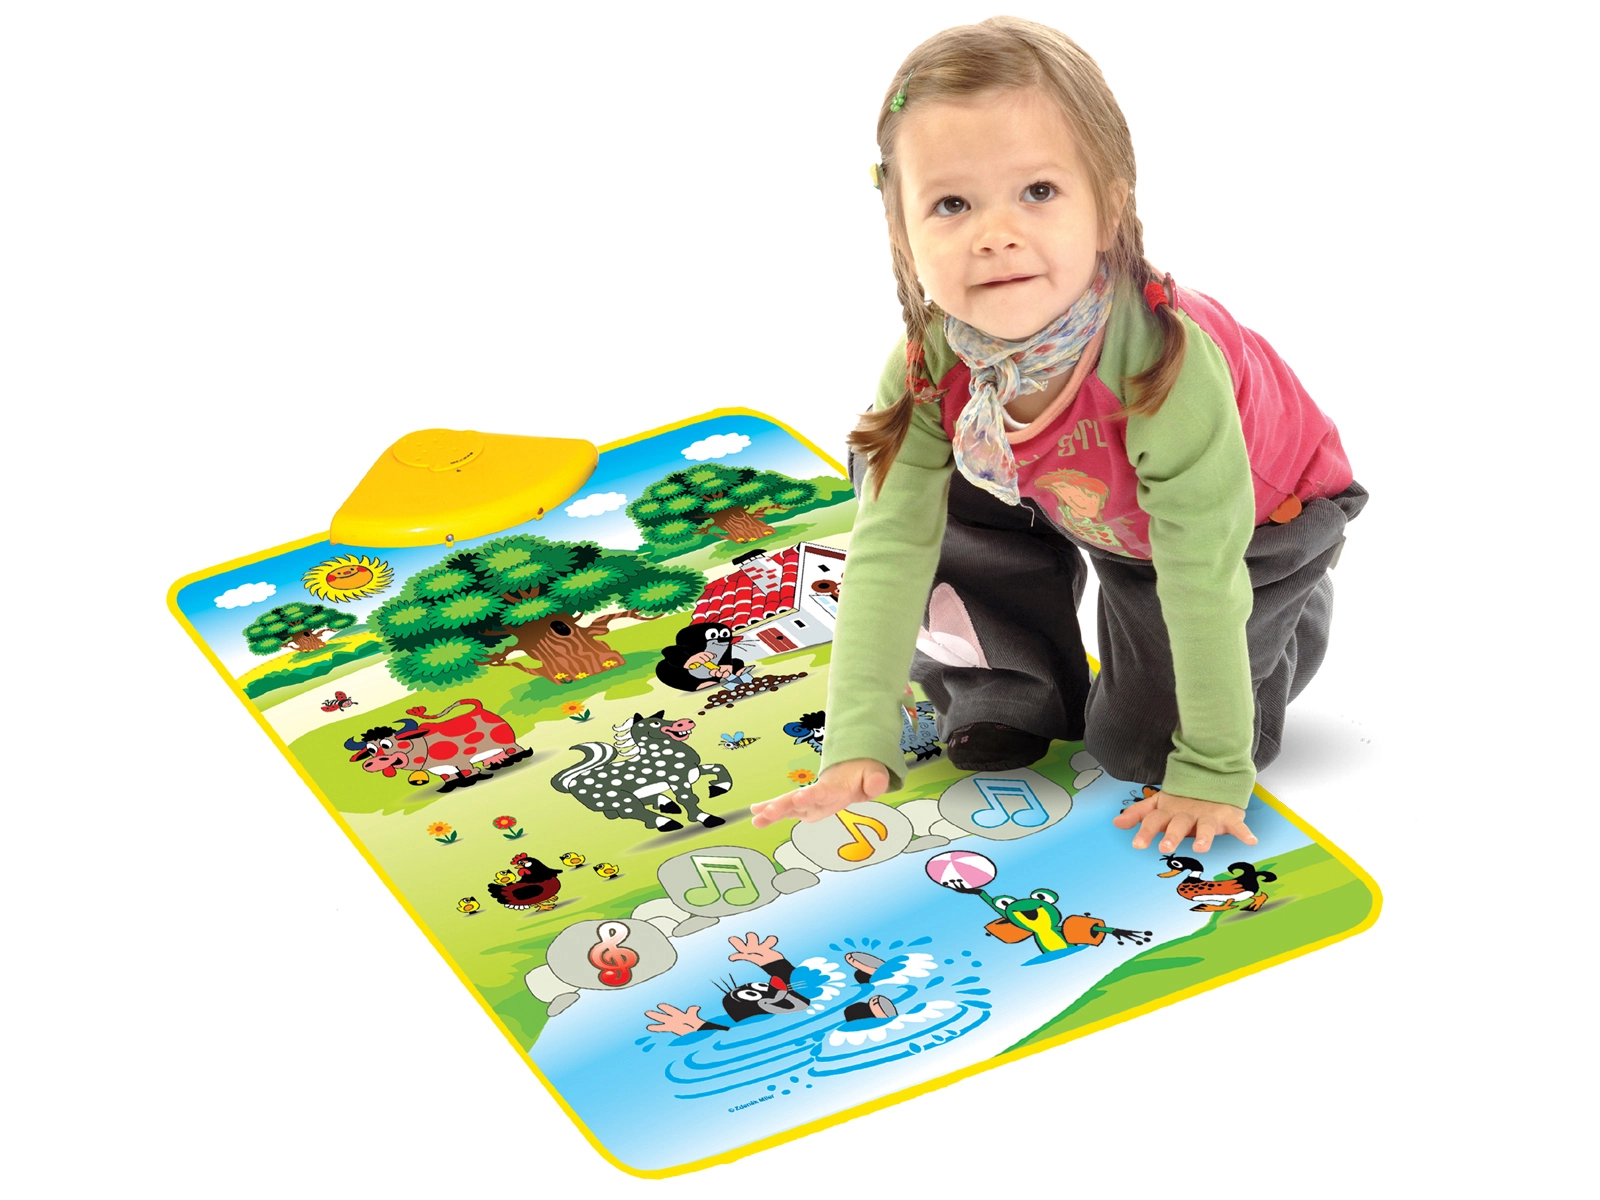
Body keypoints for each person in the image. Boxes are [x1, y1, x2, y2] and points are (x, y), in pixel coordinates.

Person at [750, 16, 1365, 856]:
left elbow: (1201, 576)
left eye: (1038, 192)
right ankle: (1011, 684)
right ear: (902, 229)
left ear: (1109, 207)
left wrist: (1214, 767)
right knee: (898, 467)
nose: (995, 233)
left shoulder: (1165, 366)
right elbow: (891, 545)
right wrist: (857, 741)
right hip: (1084, 500)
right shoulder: (931, 362)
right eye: (952, 204)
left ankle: (1289, 606)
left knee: (1142, 752)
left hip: (1247, 535)